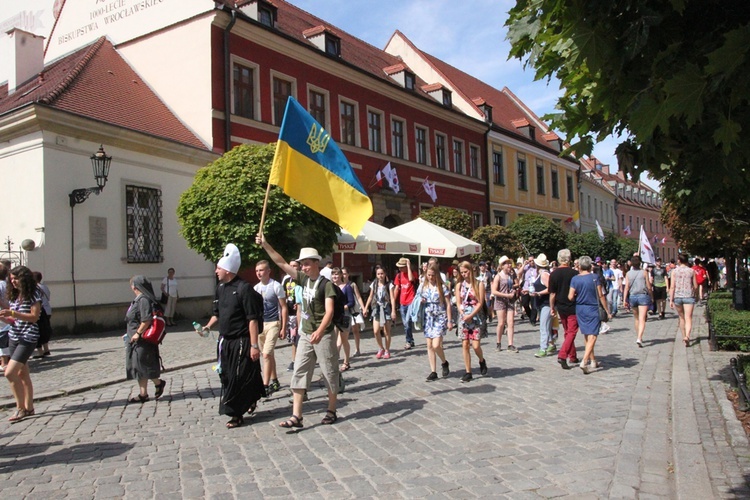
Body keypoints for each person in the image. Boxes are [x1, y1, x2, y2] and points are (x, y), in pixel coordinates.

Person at [259, 237, 340, 428]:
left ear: (316, 264)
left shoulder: (325, 284)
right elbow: (280, 262)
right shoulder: (303, 279)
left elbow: (330, 311)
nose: (302, 267)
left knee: (329, 372)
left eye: (306, 264)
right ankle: (297, 416)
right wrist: (265, 244)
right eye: (301, 264)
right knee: (299, 371)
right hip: (305, 334)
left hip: (324, 335)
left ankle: (331, 410)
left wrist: (320, 331)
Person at [199, 244, 265, 429]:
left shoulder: (244, 289)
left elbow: (252, 320)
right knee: (226, 376)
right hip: (225, 341)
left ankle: (236, 413)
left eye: (218, 268)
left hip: (242, 341)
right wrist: (207, 327)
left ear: (227, 269)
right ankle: (249, 399)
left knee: (239, 375)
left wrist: (254, 345)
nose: (216, 271)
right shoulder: (220, 288)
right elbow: (217, 314)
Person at [0, 266, 41, 422]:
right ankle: (29, 407)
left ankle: (20, 409)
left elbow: (34, 317)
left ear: (24, 278)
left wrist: (12, 313)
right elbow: (14, 320)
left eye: (16, 278)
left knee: (9, 373)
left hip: (27, 337)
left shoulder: (33, 294)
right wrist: (5, 317)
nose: (13, 282)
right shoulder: (15, 296)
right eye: (11, 279)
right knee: (22, 374)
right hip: (14, 335)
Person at [123, 275, 166, 405]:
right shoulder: (138, 299)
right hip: (134, 339)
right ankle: (143, 394)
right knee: (138, 366)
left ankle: (158, 383)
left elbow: (146, 320)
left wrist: (137, 333)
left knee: (143, 365)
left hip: (142, 340)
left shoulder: (143, 300)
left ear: (134, 286)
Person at [569, 256, 611, 374]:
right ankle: (585, 360)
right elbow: (601, 295)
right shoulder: (594, 278)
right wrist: (607, 310)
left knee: (587, 335)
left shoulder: (575, 279)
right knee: (593, 336)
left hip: (580, 309)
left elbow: (570, 296)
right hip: (592, 308)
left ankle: (593, 360)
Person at [254, 260, 287, 396]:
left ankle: (265, 385)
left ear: (268, 271)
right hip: (261, 324)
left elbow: (284, 307)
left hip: (273, 323)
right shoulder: (255, 288)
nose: (259, 273)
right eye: (257, 271)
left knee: (266, 354)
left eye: (261, 270)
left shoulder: (276, 286)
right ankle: (275, 380)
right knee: (268, 354)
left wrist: (283, 327)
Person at [418, 264, 452, 381]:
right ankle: (433, 371)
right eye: (428, 275)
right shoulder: (424, 286)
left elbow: (448, 304)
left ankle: (444, 362)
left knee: (436, 344)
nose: (431, 277)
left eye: (432, 275)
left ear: (436, 275)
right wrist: (421, 301)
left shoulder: (442, 287)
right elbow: (418, 298)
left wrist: (449, 320)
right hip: (428, 318)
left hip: (440, 317)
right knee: (429, 345)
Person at [456, 261, 487, 382]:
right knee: (465, 345)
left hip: (476, 317)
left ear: (471, 270)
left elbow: (480, 302)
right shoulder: (459, 285)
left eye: (466, 271)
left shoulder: (479, 284)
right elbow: (458, 302)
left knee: (476, 346)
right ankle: (468, 371)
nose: (464, 274)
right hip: (464, 318)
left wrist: (471, 314)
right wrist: (463, 314)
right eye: (462, 272)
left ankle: (481, 360)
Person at [549, 249, 579, 370]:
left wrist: (552, 307)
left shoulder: (554, 274)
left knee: (568, 331)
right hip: (572, 305)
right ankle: (563, 355)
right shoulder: (574, 273)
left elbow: (552, 294)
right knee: (572, 332)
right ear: (569, 259)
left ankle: (573, 356)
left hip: (560, 305)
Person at [364, 265, 396, 359]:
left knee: (386, 331)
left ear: (385, 274)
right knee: (376, 330)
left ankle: (387, 350)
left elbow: (392, 298)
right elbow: (370, 296)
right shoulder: (374, 284)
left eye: (382, 273)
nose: (380, 275)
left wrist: (393, 310)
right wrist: (366, 307)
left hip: (386, 308)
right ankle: (381, 348)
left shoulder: (389, 284)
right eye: (378, 274)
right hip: (376, 308)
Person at [623, 255, 653, 348]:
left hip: (632, 296)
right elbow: (648, 286)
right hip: (642, 295)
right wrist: (651, 296)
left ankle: (638, 336)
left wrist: (624, 299)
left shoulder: (628, 273)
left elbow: (626, 287)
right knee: (642, 318)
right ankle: (639, 337)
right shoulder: (644, 273)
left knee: (636, 318)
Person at [670, 254, 698, 347]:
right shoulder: (691, 271)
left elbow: (672, 286)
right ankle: (687, 336)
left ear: (679, 260)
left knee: (681, 318)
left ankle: (683, 336)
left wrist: (671, 300)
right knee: (688, 317)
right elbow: (695, 286)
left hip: (678, 297)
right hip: (688, 296)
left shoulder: (674, 271)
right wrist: (696, 295)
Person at [491, 255, 517, 352]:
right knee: (501, 323)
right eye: (507, 263)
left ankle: (510, 344)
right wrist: (506, 295)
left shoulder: (511, 276)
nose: (509, 265)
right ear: (502, 266)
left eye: (509, 263)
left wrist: (513, 292)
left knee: (511, 323)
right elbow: (494, 291)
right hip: (500, 301)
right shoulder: (498, 276)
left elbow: (513, 286)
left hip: (510, 301)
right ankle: (498, 342)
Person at [531, 254, 554, 357]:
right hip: (542, 303)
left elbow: (550, 289)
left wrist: (539, 293)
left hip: (546, 304)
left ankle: (543, 348)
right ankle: (551, 343)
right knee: (547, 325)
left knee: (543, 326)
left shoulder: (544, 275)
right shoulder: (541, 274)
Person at [331, 267, 353, 371]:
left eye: (336, 274)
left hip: (344, 316)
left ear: (341, 275)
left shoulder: (347, 287)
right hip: (333, 316)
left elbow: (351, 302)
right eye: (333, 274)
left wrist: (344, 306)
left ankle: (346, 361)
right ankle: (335, 362)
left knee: (343, 340)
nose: (334, 276)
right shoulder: (330, 287)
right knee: (335, 340)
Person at [393, 258, 418, 350]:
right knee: (406, 323)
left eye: (402, 267)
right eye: (399, 267)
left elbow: (411, 279)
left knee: (407, 322)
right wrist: (393, 300)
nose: (400, 269)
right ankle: (411, 340)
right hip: (402, 302)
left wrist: (408, 266)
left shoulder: (413, 273)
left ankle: (408, 341)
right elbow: (396, 288)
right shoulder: (399, 276)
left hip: (411, 301)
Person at [341, 267, 366, 356]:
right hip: (343, 310)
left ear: (348, 274)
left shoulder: (352, 284)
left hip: (353, 309)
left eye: (345, 273)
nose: (343, 275)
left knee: (355, 330)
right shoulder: (338, 284)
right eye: (342, 273)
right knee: (344, 332)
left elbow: (358, 297)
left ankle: (357, 348)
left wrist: (363, 308)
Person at [281, 260, 301, 372]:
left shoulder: (302, 279)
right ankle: (294, 360)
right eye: (291, 265)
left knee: (299, 337)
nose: (292, 267)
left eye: (295, 266)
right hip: (290, 313)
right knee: (293, 337)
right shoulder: (287, 280)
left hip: (300, 313)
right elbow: (284, 294)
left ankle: (297, 360)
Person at [32, 272, 52, 358]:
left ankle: (40, 352)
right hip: (47, 310)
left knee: (38, 331)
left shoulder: (34, 288)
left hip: (40, 311)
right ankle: (46, 349)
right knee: (45, 330)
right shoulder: (45, 287)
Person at [519, 257, 538, 326]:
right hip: (526, 288)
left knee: (534, 306)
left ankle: (533, 320)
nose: (532, 262)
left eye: (533, 260)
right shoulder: (526, 267)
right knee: (525, 304)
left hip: (534, 289)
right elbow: (519, 273)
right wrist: (524, 264)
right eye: (530, 261)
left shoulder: (537, 268)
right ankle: (530, 316)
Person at [0, 263, 10, 371]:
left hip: (3, 313)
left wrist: (6, 308)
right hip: (9, 313)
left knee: (2, 337)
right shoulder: (8, 284)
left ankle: (4, 362)